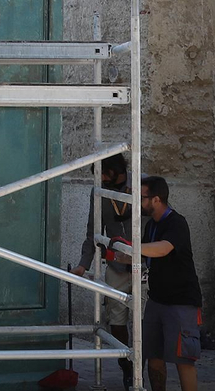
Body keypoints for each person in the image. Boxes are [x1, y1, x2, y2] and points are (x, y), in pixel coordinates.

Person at [68, 154, 133, 389]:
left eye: (103, 173)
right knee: (116, 320)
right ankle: (128, 369)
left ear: (115, 170)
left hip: (146, 265)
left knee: (146, 321)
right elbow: (92, 233)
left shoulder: (141, 184)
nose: (101, 178)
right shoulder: (98, 191)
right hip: (117, 266)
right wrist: (83, 264)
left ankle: (142, 366)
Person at [139, 175, 201, 391]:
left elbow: (163, 248)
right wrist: (115, 252)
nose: (138, 202)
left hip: (181, 302)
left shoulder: (177, 223)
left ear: (156, 199)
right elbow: (142, 254)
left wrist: (132, 247)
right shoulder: (151, 225)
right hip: (157, 300)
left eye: (142, 197)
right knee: (154, 357)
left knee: (183, 361)